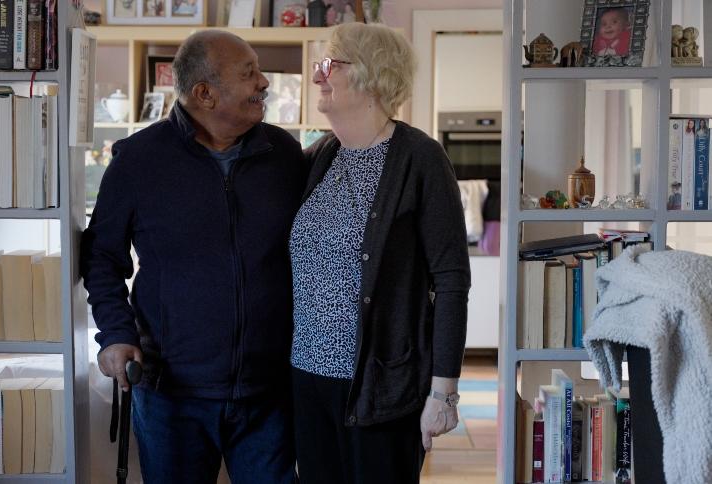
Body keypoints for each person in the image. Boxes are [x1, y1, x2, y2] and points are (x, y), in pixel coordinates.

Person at [80, 30, 307, 484]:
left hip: (269, 393)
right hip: (172, 396)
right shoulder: (137, 160)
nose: (264, 83)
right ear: (205, 93)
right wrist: (116, 332)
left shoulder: (284, 154)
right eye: (249, 74)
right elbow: (102, 257)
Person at [288, 23, 471, 484]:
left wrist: (443, 392)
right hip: (308, 381)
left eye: (329, 65)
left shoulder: (420, 159)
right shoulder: (319, 158)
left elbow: (450, 279)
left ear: (371, 75)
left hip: (381, 384)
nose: (317, 77)